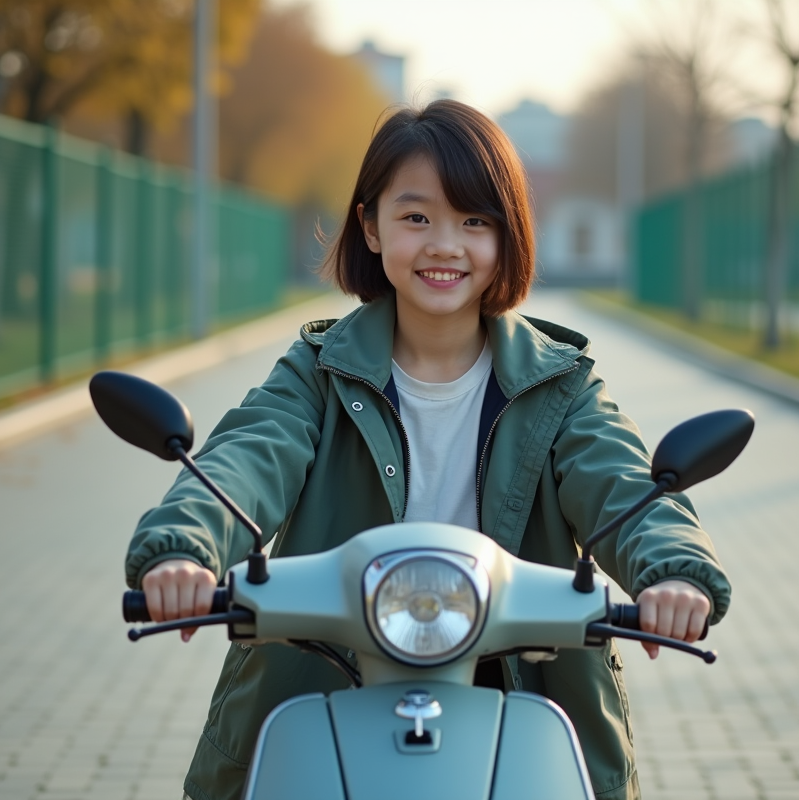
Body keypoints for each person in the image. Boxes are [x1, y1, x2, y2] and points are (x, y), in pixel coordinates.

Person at [125, 99, 731, 800]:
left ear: (508, 236)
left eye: (475, 220)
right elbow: (250, 453)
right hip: (324, 681)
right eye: (417, 217)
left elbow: (620, 479)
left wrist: (672, 570)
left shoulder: (561, 386)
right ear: (371, 227)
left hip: (524, 694)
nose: (445, 244)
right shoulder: (316, 372)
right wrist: (183, 546)